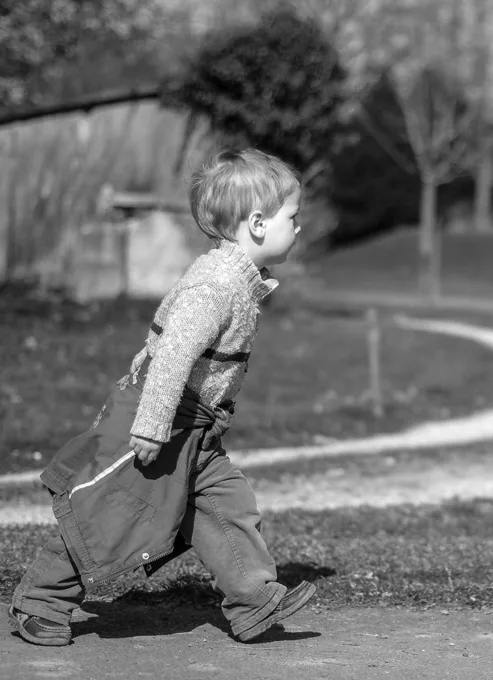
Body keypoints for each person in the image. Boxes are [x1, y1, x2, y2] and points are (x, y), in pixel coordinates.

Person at [8, 148, 314, 646]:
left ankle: (252, 600)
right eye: (293, 216)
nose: (299, 227)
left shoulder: (237, 280)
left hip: (196, 426)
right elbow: (171, 357)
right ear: (258, 223)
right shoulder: (215, 287)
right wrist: (150, 427)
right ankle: (40, 601)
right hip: (159, 418)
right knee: (110, 510)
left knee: (225, 504)